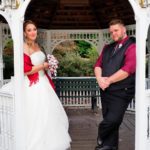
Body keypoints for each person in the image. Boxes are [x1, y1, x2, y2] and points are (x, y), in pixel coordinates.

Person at [23, 20, 71, 150]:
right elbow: (26, 70)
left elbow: (41, 66)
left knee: (49, 113)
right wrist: (42, 66)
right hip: (33, 85)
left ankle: (49, 141)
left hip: (44, 82)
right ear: (24, 33)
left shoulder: (37, 45)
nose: (33, 32)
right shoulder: (24, 47)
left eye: (34, 29)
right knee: (37, 114)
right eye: (29, 30)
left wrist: (49, 65)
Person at [94, 19, 136, 150]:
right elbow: (97, 65)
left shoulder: (133, 46)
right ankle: (109, 146)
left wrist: (108, 80)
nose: (113, 34)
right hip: (106, 90)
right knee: (111, 120)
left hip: (122, 91)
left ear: (124, 29)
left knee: (113, 119)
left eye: (116, 30)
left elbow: (128, 69)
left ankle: (102, 132)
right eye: (111, 32)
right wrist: (99, 79)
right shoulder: (108, 47)